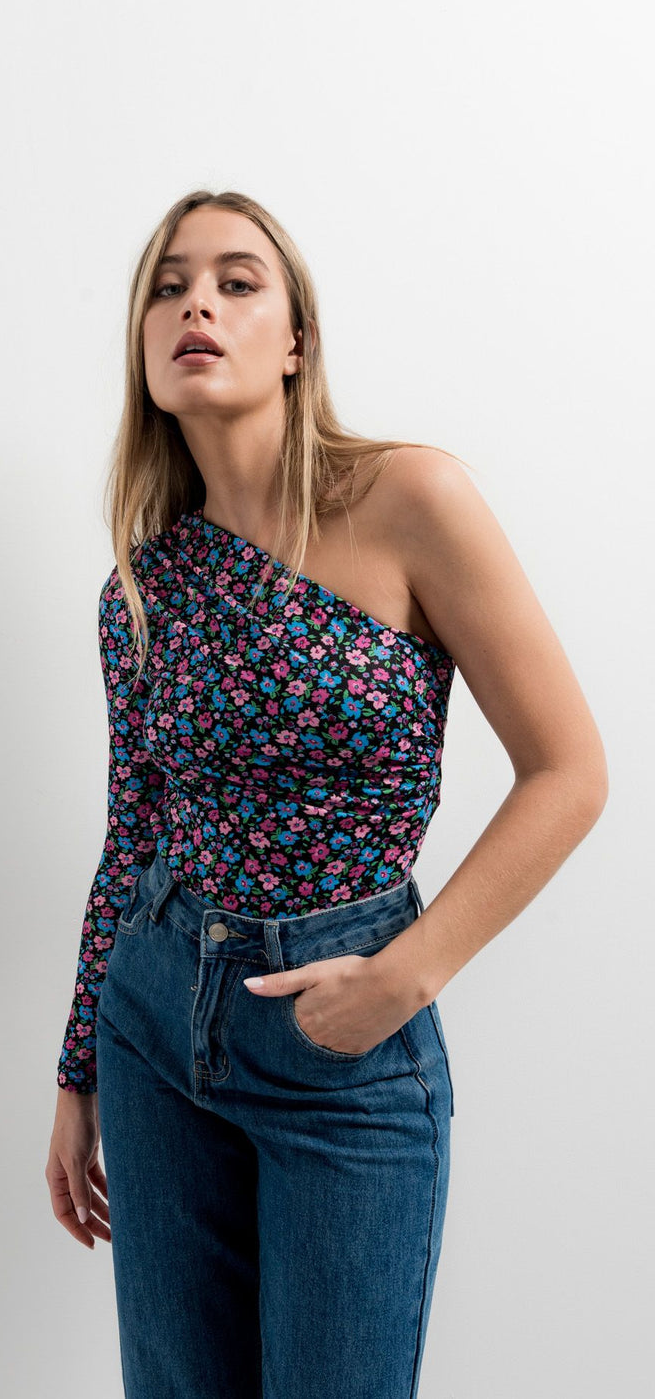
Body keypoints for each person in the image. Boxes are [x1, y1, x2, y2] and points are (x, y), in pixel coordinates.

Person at [44, 190, 608, 1399]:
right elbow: (132, 835)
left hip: (341, 1034)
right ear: (143, 345)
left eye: (236, 281)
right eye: (167, 286)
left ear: (297, 340)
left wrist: (407, 975)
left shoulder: (410, 500)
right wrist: (76, 1070)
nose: (196, 303)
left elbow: (568, 771)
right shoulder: (141, 587)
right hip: (153, 1027)